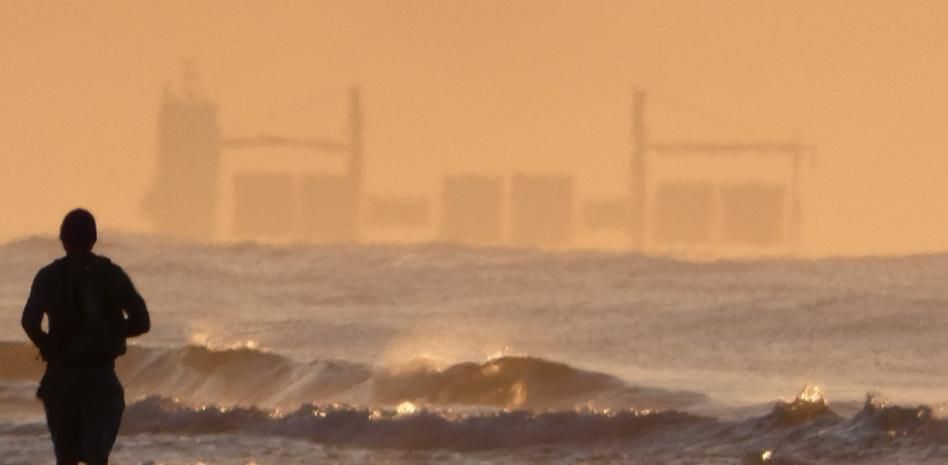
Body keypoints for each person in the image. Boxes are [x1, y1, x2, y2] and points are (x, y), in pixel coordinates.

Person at [21, 208, 150, 465]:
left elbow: (29, 322)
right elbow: (142, 321)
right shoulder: (111, 275)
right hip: (100, 377)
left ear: (63, 239)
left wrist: (50, 346)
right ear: (94, 238)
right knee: (96, 457)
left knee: (66, 458)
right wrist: (109, 330)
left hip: (61, 378)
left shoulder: (49, 276)